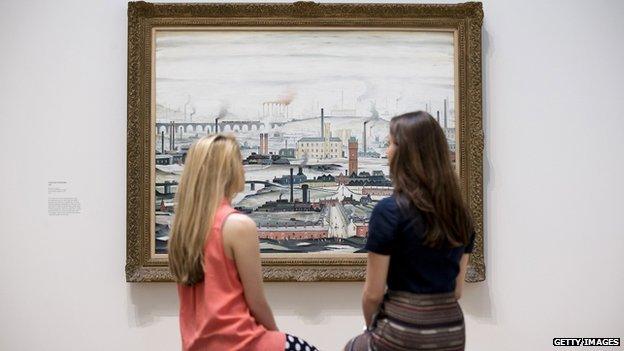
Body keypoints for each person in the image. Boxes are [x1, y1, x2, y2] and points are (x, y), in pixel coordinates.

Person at [168, 134, 318, 351]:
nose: (244, 169)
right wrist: (276, 337)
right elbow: (256, 302)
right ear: (227, 171)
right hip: (241, 343)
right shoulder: (237, 225)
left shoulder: (184, 229)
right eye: (240, 162)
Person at [344, 111, 475, 351]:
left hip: (402, 330)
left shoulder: (388, 211)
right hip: (451, 332)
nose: (387, 151)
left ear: (408, 153)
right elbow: (456, 291)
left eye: (391, 143)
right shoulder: (461, 214)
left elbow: (372, 294)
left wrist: (370, 328)